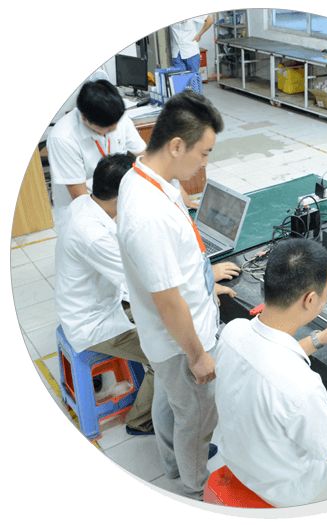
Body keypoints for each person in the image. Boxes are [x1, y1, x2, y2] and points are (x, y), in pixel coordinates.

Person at [214, 238, 327, 508]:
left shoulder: (234, 331)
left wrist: (319, 338)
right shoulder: (301, 385)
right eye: (326, 292)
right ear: (310, 299)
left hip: (240, 461)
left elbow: (266, 359)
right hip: (287, 490)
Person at [116, 90, 234, 501]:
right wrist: (198, 355)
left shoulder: (145, 177)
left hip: (168, 340)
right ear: (177, 145)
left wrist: (205, 279)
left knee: (170, 403)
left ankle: (173, 464)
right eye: (204, 153)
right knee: (197, 418)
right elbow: (168, 302)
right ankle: (195, 485)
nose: (204, 164)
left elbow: (172, 269)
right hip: (182, 342)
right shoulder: (148, 215)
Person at [54, 153, 155, 435]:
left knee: (158, 319)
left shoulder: (83, 204)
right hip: (93, 323)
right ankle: (140, 422)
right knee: (166, 356)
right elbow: (144, 282)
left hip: (94, 302)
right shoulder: (93, 234)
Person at [47, 80, 147, 233]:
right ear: (85, 119)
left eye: (116, 123)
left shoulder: (116, 118)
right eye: (107, 128)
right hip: (84, 213)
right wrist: (118, 222)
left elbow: (146, 156)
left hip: (115, 202)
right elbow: (80, 196)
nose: (114, 129)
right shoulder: (63, 138)